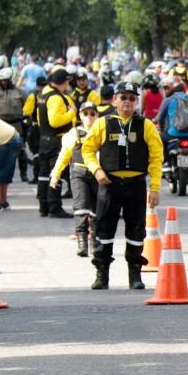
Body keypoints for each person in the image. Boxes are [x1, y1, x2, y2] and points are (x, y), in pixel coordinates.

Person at [81, 81, 163, 291]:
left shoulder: (145, 125)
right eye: (123, 97)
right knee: (104, 229)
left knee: (136, 229)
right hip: (109, 185)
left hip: (136, 185)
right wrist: (97, 170)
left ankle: (135, 274)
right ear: (115, 100)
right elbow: (87, 150)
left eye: (132, 98)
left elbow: (156, 157)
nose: (127, 102)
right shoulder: (102, 123)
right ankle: (102, 274)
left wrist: (154, 188)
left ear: (137, 102)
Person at [50, 102, 100, 257]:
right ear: (80, 116)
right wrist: (56, 174)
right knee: (81, 206)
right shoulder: (74, 133)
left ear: (97, 115)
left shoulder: (102, 131)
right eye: (86, 114)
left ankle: (95, 240)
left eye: (92, 113)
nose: (89, 117)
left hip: (98, 175)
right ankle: (82, 242)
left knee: (97, 210)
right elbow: (64, 155)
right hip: (79, 173)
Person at [36, 68, 76, 218]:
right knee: (55, 173)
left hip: (44, 138)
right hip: (55, 139)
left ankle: (43, 206)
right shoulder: (56, 97)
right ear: (64, 82)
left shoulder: (43, 93)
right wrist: (71, 112)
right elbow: (54, 121)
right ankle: (54, 207)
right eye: (67, 82)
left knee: (43, 174)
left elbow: (41, 119)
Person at [0, 67, 30, 182]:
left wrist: (28, 121)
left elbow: (28, 108)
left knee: (21, 149)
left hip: (17, 124)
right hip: (1, 124)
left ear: (11, 79)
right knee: (1, 149)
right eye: (2, 80)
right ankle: (2, 174)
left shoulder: (20, 92)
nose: (4, 82)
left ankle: (24, 173)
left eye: (6, 80)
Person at [156, 81, 188, 167]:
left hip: (173, 134)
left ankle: (166, 161)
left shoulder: (168, 100)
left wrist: (161, 129)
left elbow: (160, 118)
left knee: (160, 140)